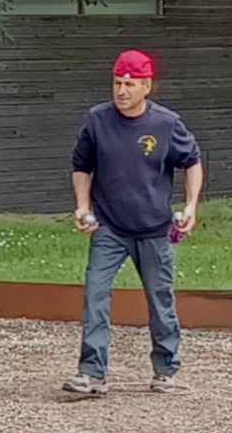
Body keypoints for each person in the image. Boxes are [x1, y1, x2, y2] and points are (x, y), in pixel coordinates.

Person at [63, 49, 204, 397]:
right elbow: (81, 167)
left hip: (154, 228)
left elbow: (192, 162)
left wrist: (191, 206)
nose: (121, 91)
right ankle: (92, 373)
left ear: (146, 87)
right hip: (109, 227)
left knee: (160, 300)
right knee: (95, 294)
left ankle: (166, 370)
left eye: (129, 84)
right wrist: (82, 207)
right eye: (117, 83)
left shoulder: (166, 124)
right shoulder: (97, 120)